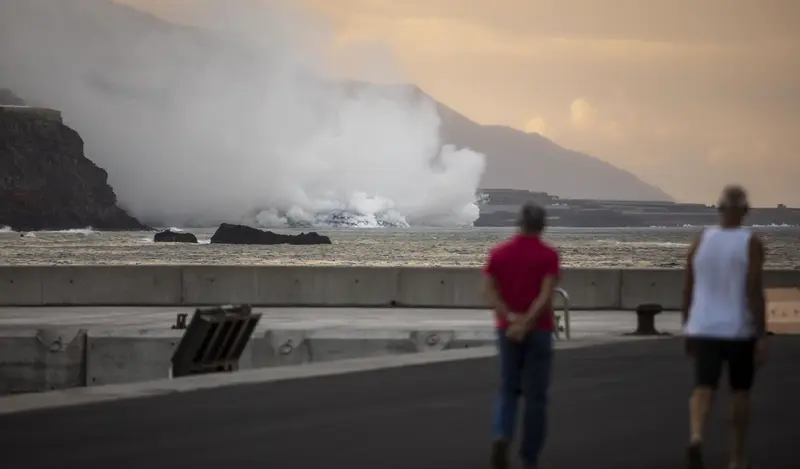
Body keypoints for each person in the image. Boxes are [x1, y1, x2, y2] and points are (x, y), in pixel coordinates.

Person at [682, 185, 768, 469]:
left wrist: (687, 323)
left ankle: (696, 435)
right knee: (740, 391)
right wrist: (761, 333)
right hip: (737, 329)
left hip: (704, 326)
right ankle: (736, 458)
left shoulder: (701, 240)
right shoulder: (750, 242)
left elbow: (688, 286)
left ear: (719, 209)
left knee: (703, 386)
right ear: (745, 211)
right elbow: (754, 290)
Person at [483, 202, 560, 469]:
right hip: (539, 331)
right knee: (536, 396)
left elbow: (490, 292)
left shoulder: (499, 253)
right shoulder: (548, 255)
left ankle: (502, 434)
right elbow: (546, 294)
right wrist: (527, 322)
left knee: (507, 389)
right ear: (542, 226)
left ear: (519, 223)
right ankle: (529, 456)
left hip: (507, 330)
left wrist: (511, 319)